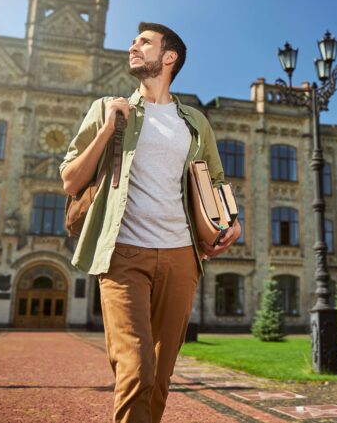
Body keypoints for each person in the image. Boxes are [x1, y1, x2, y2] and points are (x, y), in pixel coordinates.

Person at [60, 22, 242, 423]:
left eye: (144, 42)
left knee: (159, 376)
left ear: (169, 57)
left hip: (182, 257)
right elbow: (70, 179)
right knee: (136, 368)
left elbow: (215, 178)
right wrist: (109, 128)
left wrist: (232, 220)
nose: (132, 47)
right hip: (123, 254)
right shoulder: (108, 108)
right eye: (133, 41)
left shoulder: (193, 120)